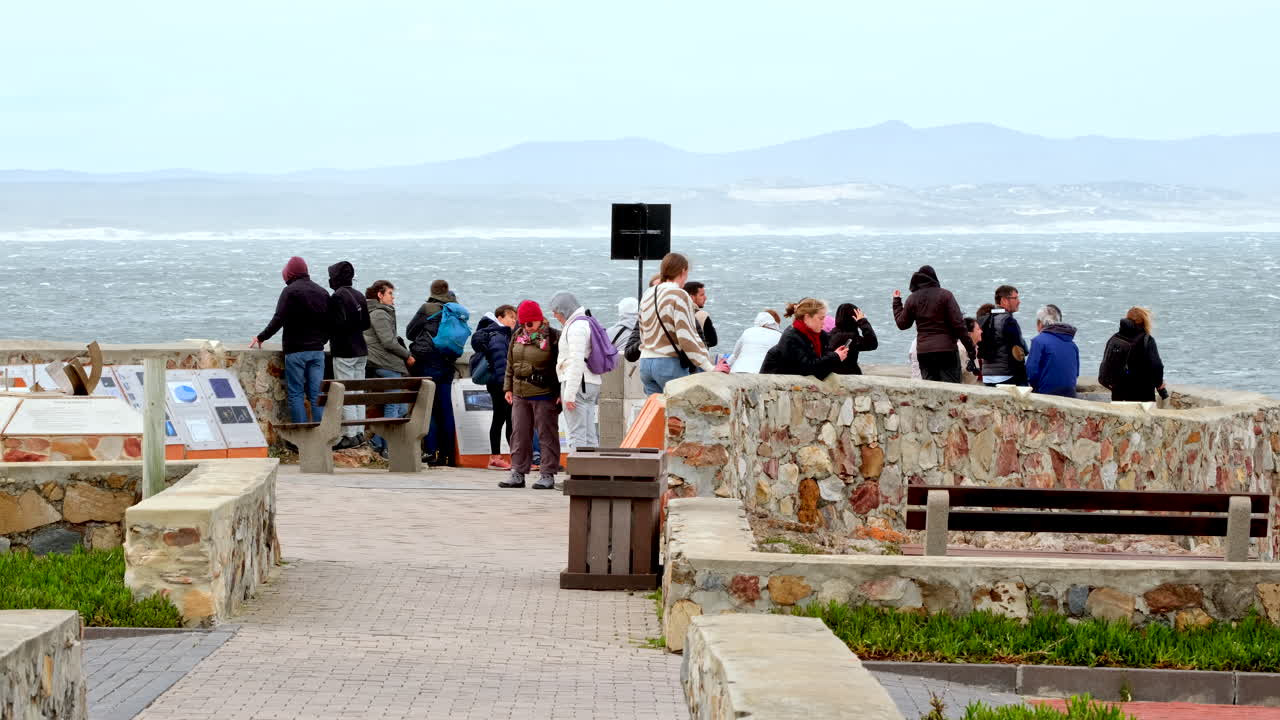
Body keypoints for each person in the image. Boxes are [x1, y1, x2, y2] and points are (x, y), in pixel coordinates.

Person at [251, 257, 330, 424]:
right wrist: (322, 341)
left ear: (290, 273)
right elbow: (330, 322)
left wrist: (261, 337)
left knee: (296, 393)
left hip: (296, 351)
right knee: (316, 394)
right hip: (317, 352)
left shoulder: (290, 292)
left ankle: (301, 437)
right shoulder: (322, 292)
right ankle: (321, 436)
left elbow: (278, 319)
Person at [638, 254, 722, 394]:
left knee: (657, 414)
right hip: (668, 364)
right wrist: (710, 367)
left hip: (646, 363)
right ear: (683, 271)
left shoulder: (648, 294)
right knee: (681, 414)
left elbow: (643, 331)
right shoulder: (679, 294)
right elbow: (686, 337)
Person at [502, 300, 561, 489]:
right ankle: (518, 472)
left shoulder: (553, 337)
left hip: (544, 393)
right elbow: (510, 363)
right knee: (519, 433)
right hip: (520, 393)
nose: (526, 328)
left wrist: (561, 392)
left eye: (530, 324)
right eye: (522, 323)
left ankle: (547, 474)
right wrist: (508, 387)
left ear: (539, 320)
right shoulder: (517, 335)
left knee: (547, 435)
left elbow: (561, 366)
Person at [407, 279, 462, 466]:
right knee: (446, 409)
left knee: (428, 408)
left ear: (432, 291)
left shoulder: (428, 308)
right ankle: (449, 455)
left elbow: (410, 333)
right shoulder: (456, 309)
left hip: (429, 362)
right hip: (448, 362)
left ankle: (432, 451)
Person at [891, 265, 975, 383]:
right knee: (951, 390)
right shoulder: (946, 295)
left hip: (925, 352)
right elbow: (959, 325)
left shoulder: (912, 299)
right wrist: (970, 349)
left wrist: (896, 302)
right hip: (947, 351)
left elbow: (902, 324)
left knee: (930, 389)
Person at [362, 280, 413, 459]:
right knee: (394, 405)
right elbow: (388, 341)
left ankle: (378, 442)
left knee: (400, 407)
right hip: (385, 363)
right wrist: (407, 355)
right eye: (390, 293)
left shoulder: (374, 312)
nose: (393, 297)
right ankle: (385, 447)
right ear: (380, 294)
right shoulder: (379, 314)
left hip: (380, 362)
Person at [326, 261, 371, 449]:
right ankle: (359, 432)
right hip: (361, 349)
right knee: (358, 392)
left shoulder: (337, 297)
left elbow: (336, 324)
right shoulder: (359, 295)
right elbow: (366, 324)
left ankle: (349, 434)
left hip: (345, 350)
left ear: (335, 278)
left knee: (345, 392)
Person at [549, 291, 602, 452]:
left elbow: (576, 361)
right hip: (590, 382)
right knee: (589, 433)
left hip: (578, 384)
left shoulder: (575, 327)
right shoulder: (586, 322)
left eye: (556, 312)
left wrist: (570, 393)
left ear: (564, 310)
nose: (555, 315)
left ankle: (579, 472)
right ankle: (592, 472)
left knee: (576, 433)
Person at [472, 304, 517, 470]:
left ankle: (509, 456)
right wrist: (507, 387)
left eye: (515, 317)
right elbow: (500, 362)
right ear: (500, 318)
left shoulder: (499, 333)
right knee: (501, 418)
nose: (514, 320)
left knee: (507, 419)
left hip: (500, 383)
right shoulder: (498, 335)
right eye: (511, 317)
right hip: (500, 384)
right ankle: (496, 457)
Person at [759, 298, 848, 378]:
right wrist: (834, 357)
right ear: (807, 317)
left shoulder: (821, 336)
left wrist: (837, 357)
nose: (823, 323)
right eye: (821, 318)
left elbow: (821, 368)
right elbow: (806, 368)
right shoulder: (791, 337)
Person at [1098, 306, 1166, 402]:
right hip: (1142, 392)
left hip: (1118, 392)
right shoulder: (1146, 340)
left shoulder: (1116, 337)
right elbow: (1156, 366)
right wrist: (1159, 384)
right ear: (1144, 321)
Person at [979, 285, 1029, 387]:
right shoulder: (1008, 321)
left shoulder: (986, 318)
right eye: (1015, 298)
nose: (1019, 301)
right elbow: (1018, 348)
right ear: (1004, 300)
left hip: (987, 376)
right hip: (1006, 375)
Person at [1025, 304, 1080, 398]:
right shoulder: (1072, 344)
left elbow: (1031, 372)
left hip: (1046, 394)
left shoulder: (1039, 341)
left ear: (1040, 323)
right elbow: (1076, 373)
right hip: (1070, 394)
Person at [829, 303, 878, 375]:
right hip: (847, 374)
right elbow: (872, 343)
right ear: (853, 318)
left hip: (833, 372)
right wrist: (862, 321)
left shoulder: (832, 333)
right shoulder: (849, 337)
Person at [623, 275, 662, 363]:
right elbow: (629, 354)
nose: (660, 292)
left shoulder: (681, 313)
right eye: (656, 288)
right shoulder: (645, 317)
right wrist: (648, 338)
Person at [683, 281, 718, 348]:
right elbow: (713, 341)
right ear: (691, 297)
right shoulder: (702, 315)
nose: (705, 298)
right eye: (701, 295)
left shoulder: (676, 312)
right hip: (697, 356)